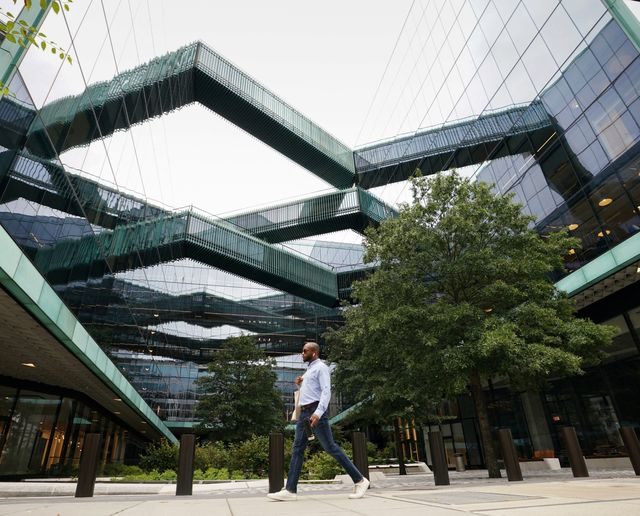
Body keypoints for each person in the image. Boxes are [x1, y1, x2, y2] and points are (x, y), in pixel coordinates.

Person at [267, 341, 370, 501]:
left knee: (330, 447)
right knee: (297, 449)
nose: (302, 353)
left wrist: (318, 413)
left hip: (314, 412)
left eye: (305, 351)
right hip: (304, 414)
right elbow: (310, 392)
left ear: (314, 353)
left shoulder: (321, 368)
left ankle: (360, 480)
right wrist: (300, 385)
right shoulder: (309, 370)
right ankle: (290, 490)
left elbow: (326, 391)